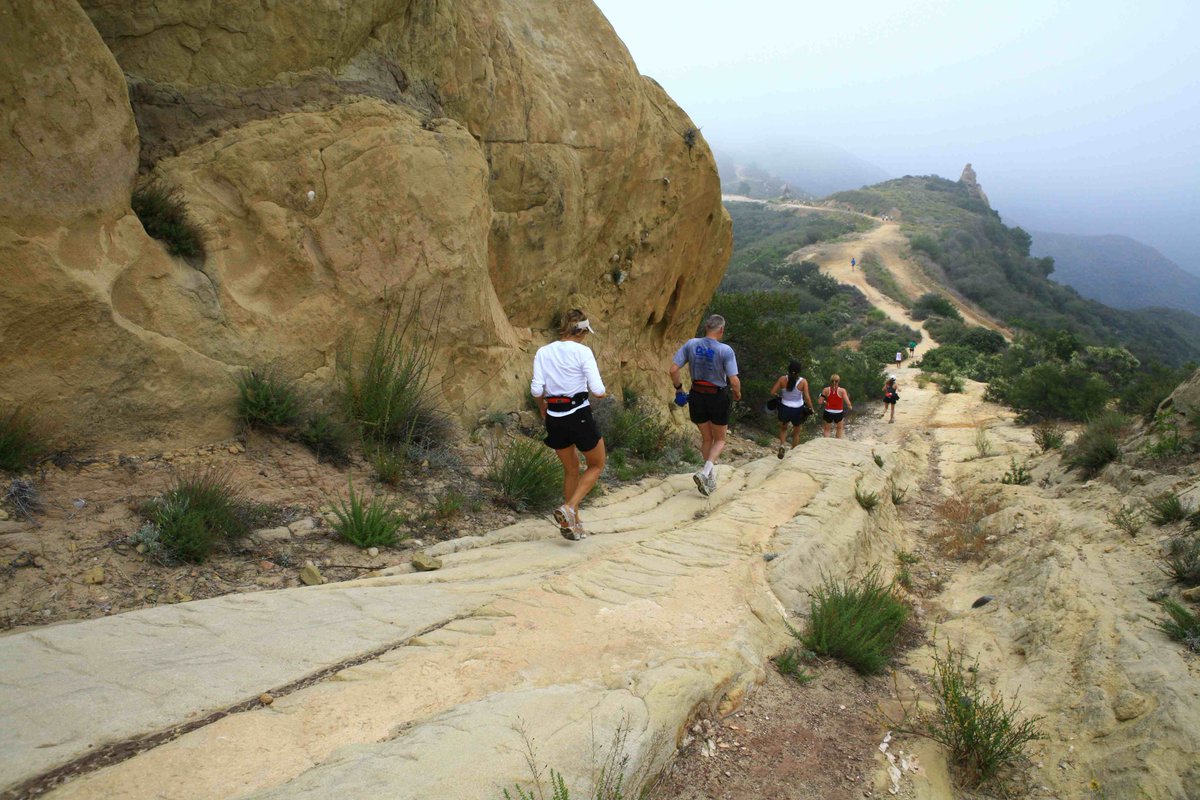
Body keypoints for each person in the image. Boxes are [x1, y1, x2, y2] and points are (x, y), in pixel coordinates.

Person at [531, 309, 607, 541]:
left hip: (554, 416)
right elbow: (598, 390)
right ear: (582, 330)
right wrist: (603, 395)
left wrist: (542, 407)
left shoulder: (543, 352)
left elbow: (536, 389)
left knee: (570, 469)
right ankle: (570, 508)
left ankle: (575, 525)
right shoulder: (583, 352)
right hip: (578, 414)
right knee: (596, 464)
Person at [670, 314, 742, 496]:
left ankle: (709, 477)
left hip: (696, 395)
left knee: (707, 439)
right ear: (721, 330)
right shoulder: (725, 350)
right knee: (720, 439)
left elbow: (673, 369)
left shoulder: (691, 344)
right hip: (717, 397)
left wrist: (679, 390)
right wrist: (737, 394)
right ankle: (704, 472)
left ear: (705, 328)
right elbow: (734, 381)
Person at [769, 360, 814, 458]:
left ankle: (782, 445)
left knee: (783, 428)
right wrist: (811, 408)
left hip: (784, 408)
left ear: (788, 369)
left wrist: (780, 396)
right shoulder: (803, 381)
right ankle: (793, 452)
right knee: (796, 431)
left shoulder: (782, 379)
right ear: (799, 371)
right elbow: (807, 397)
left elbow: (772, 392)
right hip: (798, 409)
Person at [818, 374, 853, 439]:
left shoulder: (826, 390)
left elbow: (820, 402)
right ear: (839, 381)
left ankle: (826, 443)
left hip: (828, 412)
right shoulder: (842, 391)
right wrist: (850, 407)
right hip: (838, 412)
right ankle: (837, 443)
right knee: (839, 428)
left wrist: (825, 402)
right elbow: (848, 403)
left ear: (830, 381)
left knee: (827, 429)